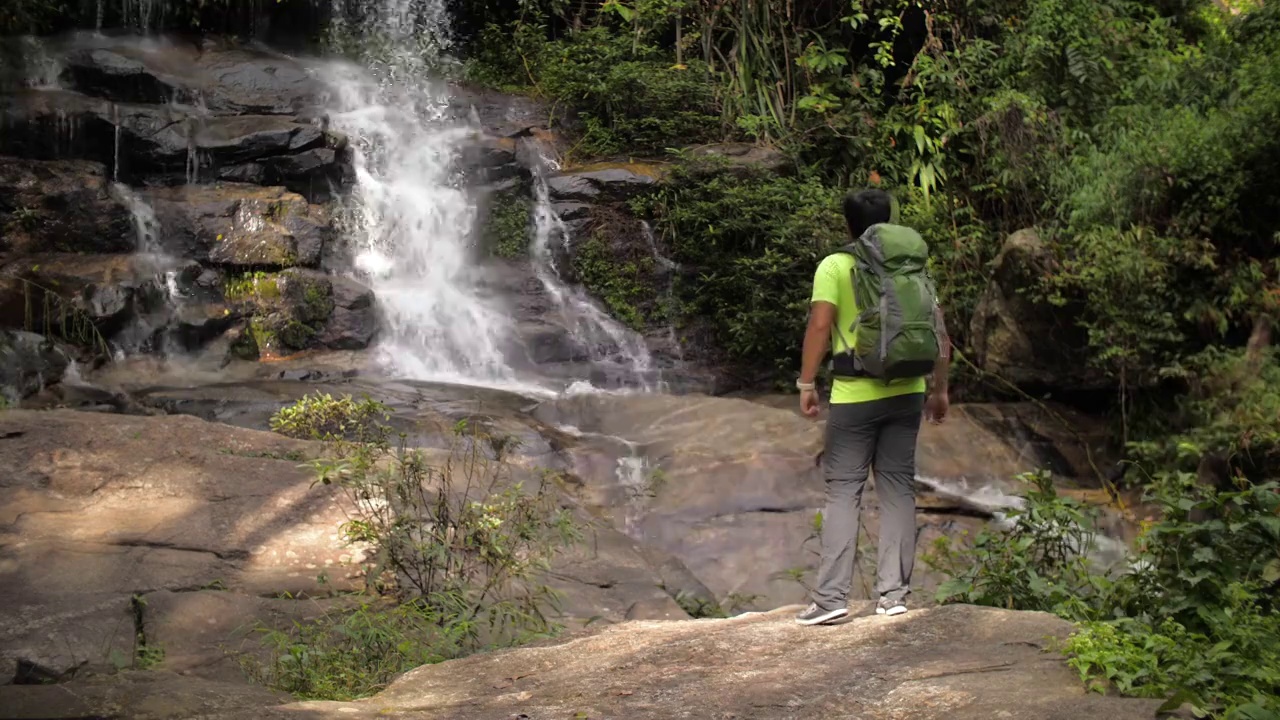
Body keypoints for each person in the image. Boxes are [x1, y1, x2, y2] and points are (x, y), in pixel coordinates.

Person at [793, 188, 951, 626]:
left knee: (844, 490)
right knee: (898, 487)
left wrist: (807, 383)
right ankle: (894, 596)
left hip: (854, 395)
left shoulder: (835, 266)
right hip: (908, 391)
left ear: (848, 224)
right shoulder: (911, 266)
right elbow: (938, 331)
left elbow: (821, 325)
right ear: (889, 222)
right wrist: (939, 389)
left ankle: (830, 600)